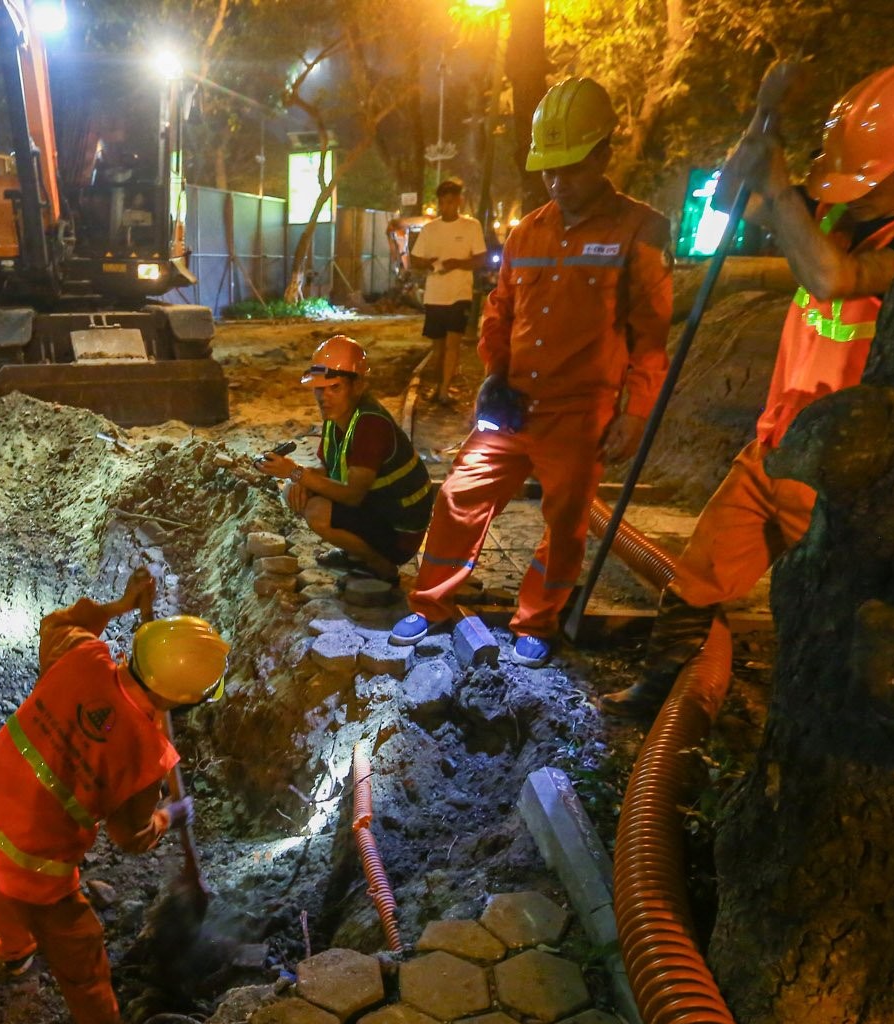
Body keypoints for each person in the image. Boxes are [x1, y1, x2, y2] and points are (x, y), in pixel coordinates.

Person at [603, 62, 894, 719]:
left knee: (825, 606)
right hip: (774, 444)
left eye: (869, 176)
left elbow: (831, 278)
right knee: (697, 574)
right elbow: (732, 198)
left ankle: (810, 723)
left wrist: (782, 193)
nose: (853, 192)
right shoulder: (839, 213)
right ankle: (663, 691)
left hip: (837, 475)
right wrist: (764, 119)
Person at [392, 78, 673, 666]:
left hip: (580, 411)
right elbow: (499, 312)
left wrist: (636, 412)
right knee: (458, 496)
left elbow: (650, 337)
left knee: (566, 522)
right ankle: (431, 601)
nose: (556, 181)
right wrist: (494, 372)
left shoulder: (638, 231)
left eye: (569, 167)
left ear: (602, 155)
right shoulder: (528, 231)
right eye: (548, 169)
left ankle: (536, 621)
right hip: (513, 404)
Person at [0, 568, 229, 1024]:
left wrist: (120, 605)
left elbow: (62, 622)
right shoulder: (147, 755)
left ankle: (13, 952)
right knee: (88, 980)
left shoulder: (85, 655)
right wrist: (169, 814)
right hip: (32, 864)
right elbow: (131, 838)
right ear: (183, 699)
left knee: (5, 867)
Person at [254, 335, 437, 581]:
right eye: (319, 388)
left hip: (400, 532)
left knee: (317, 511)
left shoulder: (370, 424)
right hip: (378, 509)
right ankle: (355, 554)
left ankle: (379, 564)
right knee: (294, 490)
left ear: (358, 385)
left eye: (335, 387)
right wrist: (297, 480)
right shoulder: (337, 417)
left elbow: (352, 495)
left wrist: (296, 472)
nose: (323, 397)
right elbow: (327, 468)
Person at [405, 178, 488, 403]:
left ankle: (443, 391)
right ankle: (438, 386)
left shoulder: (471, 226)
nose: (447, 206)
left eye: (451, 201)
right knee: (438, 347)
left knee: (453, 344)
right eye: (443, 202)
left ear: (459, 201)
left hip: (459, 294)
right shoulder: (430, 229)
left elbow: (480, 259)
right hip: (435, 295)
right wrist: (431, 263)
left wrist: (457, 263)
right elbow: (415, 259)